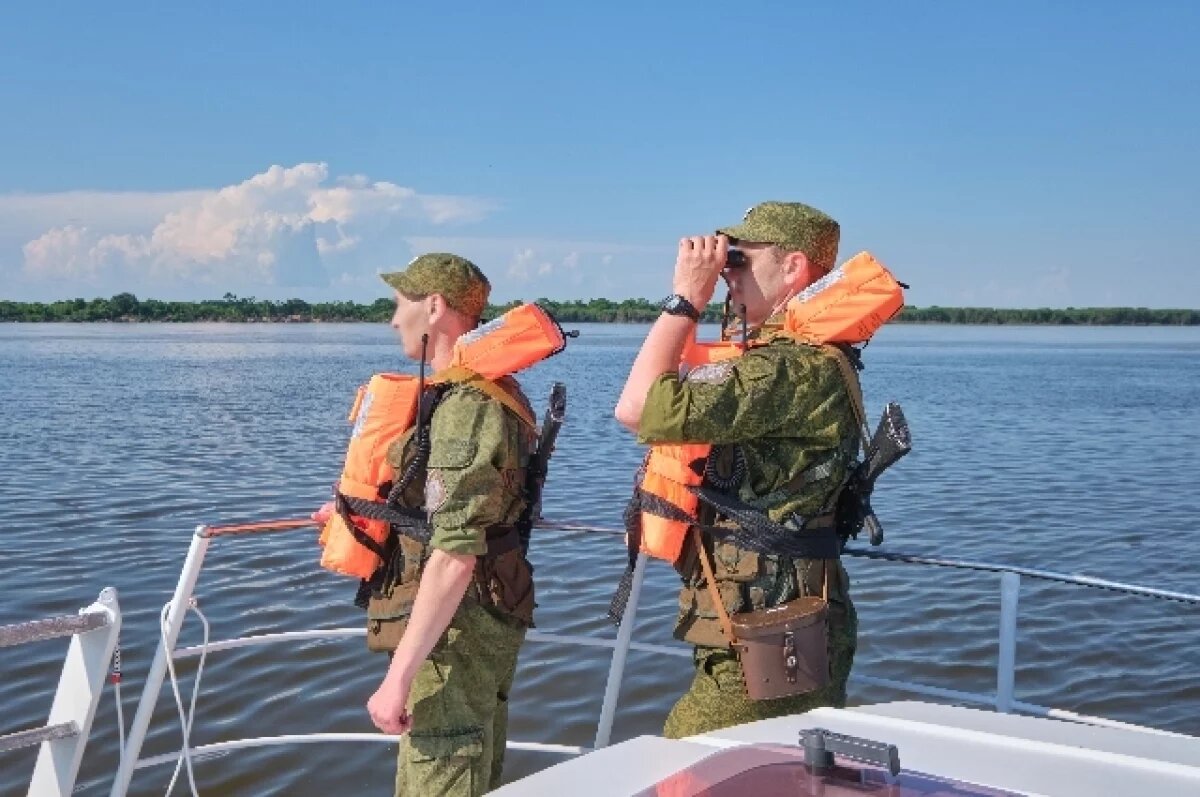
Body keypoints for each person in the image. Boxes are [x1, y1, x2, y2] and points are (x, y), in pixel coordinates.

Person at [614, 201, 860, 738]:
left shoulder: (791, 369)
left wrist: (684, 299)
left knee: (690, 765)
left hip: (773, 629)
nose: (727, 274)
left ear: (793, 267)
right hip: (769, 620)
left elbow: (635, 408)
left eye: (740, 261)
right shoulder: (794, 361)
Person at [314, 253, 539, 796]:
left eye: (401, 304)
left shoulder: (467, 407)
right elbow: (448, 498)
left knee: (440, 773)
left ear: (434, 307)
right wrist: (362, 510)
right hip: (473, 622)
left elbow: (457, 552)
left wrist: (397, 682)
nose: (394, 319)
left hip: (454, 635)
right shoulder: (479, 393)